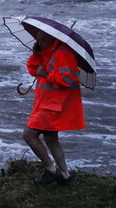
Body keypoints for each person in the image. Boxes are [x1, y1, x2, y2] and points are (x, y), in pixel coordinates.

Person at [22, 30, 85, 185]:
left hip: (53, 105)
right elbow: (32, 69)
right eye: (38, 38)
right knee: (51, 139)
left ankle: (51, 170)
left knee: (29, 135)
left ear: (52, 38)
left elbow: (67, 79)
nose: (39, 40)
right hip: (45, 103)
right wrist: (37, 53)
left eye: (43, 38)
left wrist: (47, 74)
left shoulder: (62, 53)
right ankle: (65, 175)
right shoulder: (47, 53)